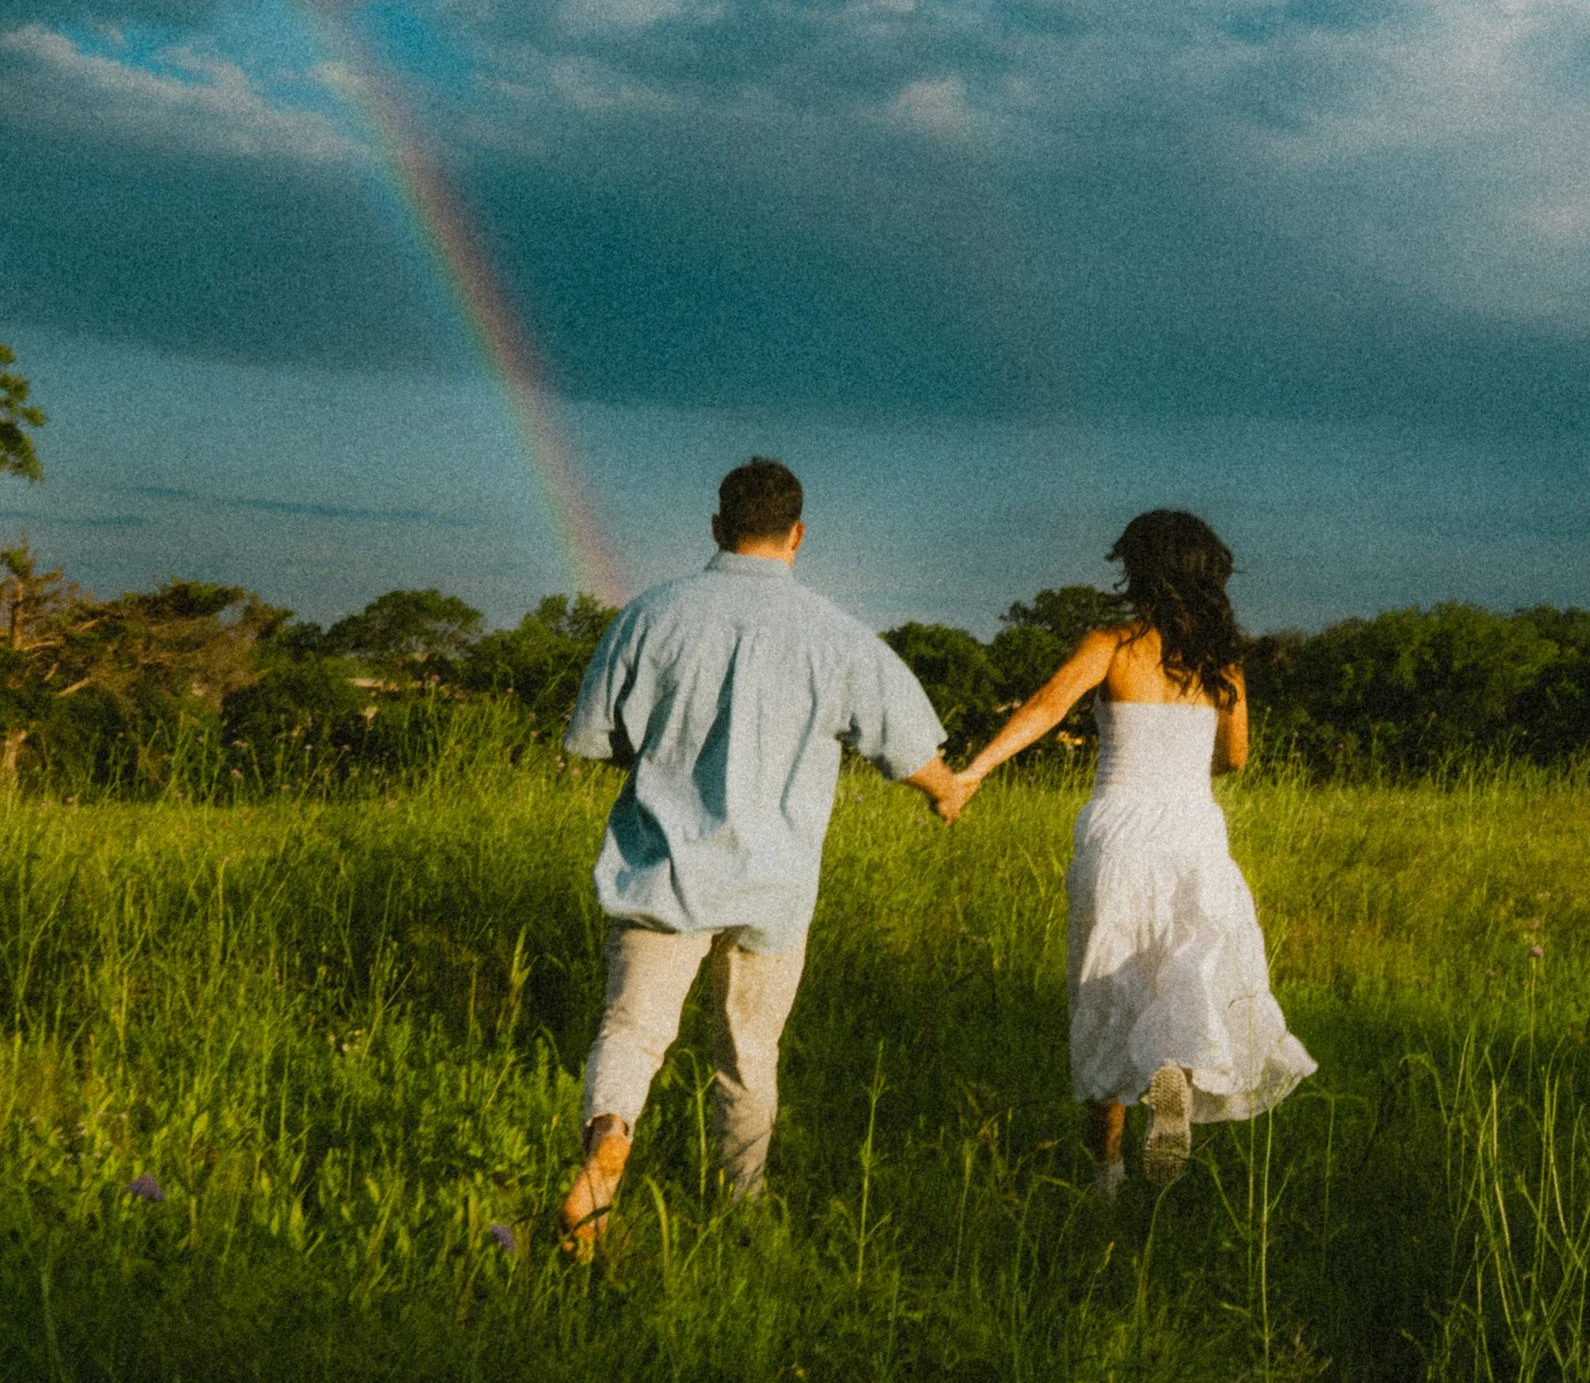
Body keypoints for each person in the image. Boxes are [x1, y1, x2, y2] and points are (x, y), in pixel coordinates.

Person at [555, 456, 955, 1255]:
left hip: (661, 873)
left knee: (632, 1031)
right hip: (774, 887)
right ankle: (740, 1206)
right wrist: (947, 789)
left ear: (716, 527)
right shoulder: (839, 636)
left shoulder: (650, 615)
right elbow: (912, 750)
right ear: (798, 534)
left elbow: (594, 739)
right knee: (748, 1051)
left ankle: (609, 1139)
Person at [937, 509, 1312, 1194]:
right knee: (1183, 979)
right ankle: (1169, 1109)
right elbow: (1235, 756)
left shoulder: (1113, 641)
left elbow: (1047, 706)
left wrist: (973, 771)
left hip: (1119, 830)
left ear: (1140, 569)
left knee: (1105, 986)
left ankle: (1105, 1171)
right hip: (1193, 830)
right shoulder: (1220, 662)